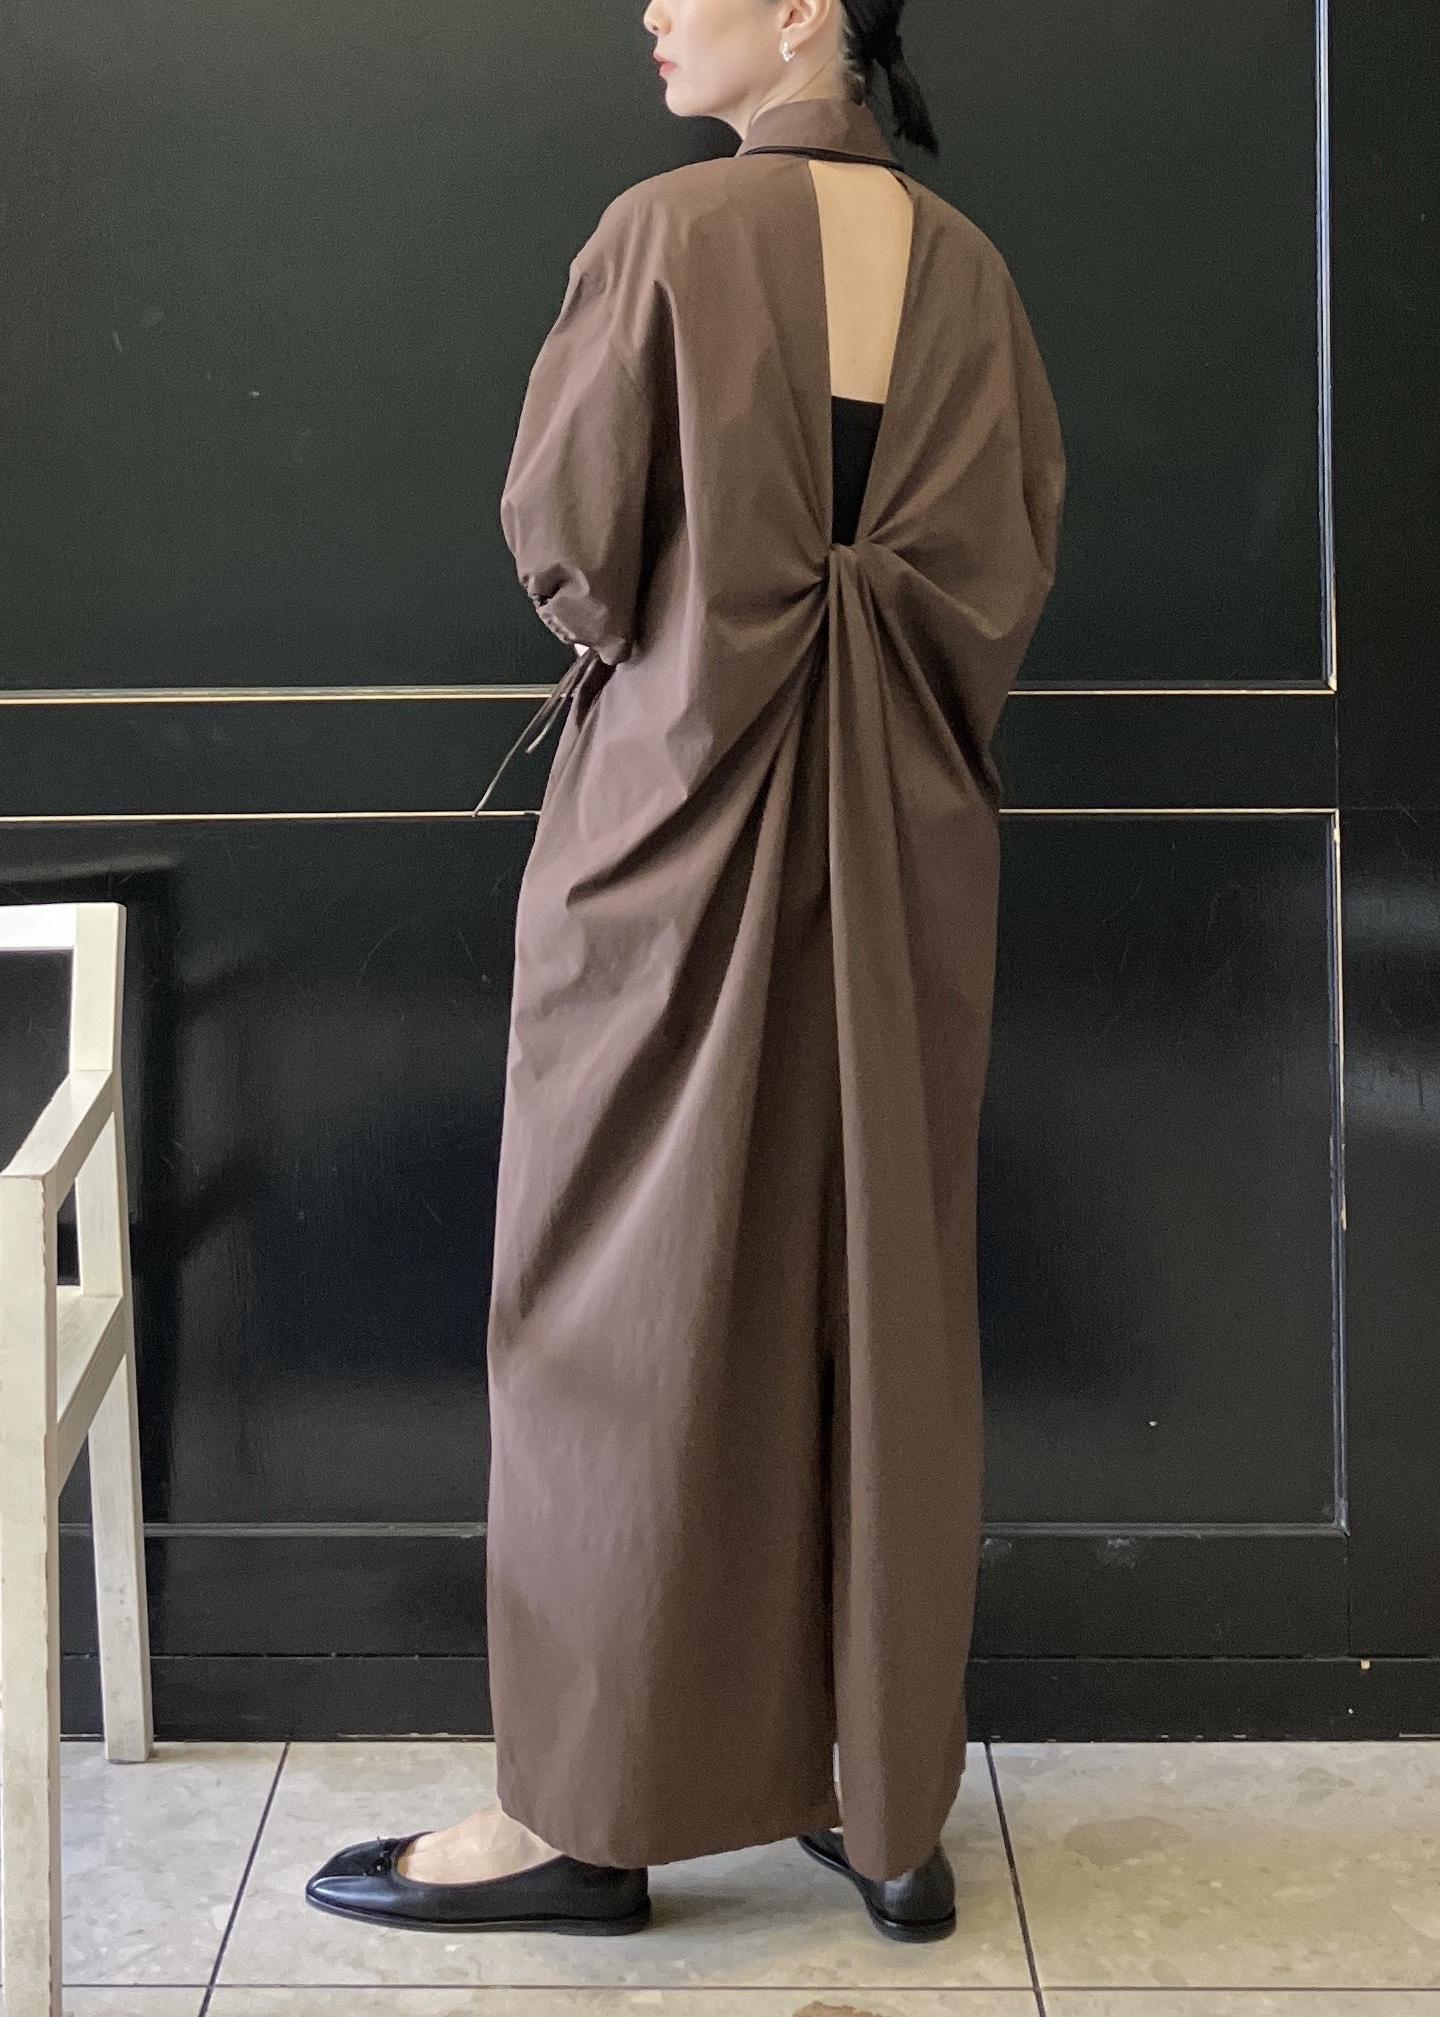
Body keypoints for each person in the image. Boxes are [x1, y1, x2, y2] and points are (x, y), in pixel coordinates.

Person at [306, 0, 1064, 1945]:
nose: (651, 10)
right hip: (902, 843)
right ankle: (880, 1800)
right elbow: (1004, 569)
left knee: (609, 1307)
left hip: (675, 835)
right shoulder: (972, 277)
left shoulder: (665, 234)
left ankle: (583, 1812)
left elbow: (568, 543)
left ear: (806, 9)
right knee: (878, 1297)